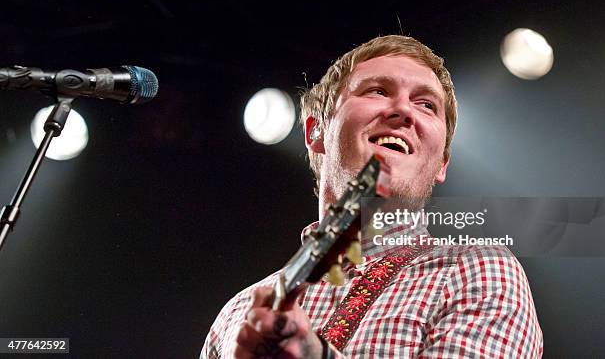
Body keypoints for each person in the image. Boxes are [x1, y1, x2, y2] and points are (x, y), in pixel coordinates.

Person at [202, 35, 543, 358]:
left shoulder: (478, 273)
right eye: (378, 90)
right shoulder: (236, 315)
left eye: (426, 104)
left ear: (441, 163)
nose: (404, 111)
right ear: (315, 132)